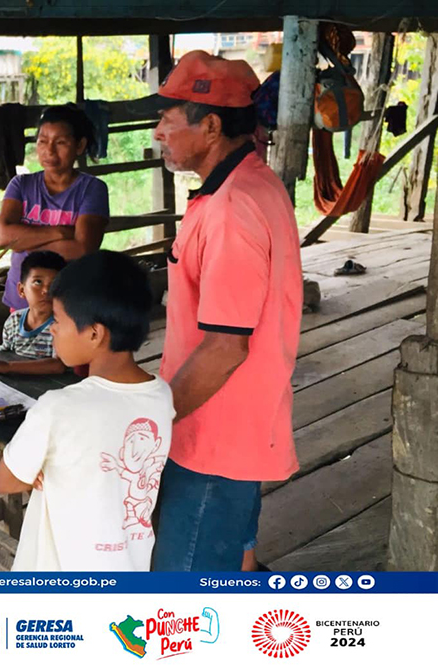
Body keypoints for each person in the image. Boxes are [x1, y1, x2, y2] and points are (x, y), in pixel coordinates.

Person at [141, 51, 303, 571]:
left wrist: (150, 421)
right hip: (237, 422)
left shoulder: (232, 210)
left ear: (210, 126)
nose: (159, 130)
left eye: (167, 118)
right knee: (230, 567)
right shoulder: (251, 183)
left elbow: (226, 346)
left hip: (213, 437)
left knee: (183, 595)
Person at [0, 251, 175, 571]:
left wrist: (38, 466)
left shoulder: (58, 407)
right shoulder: (161, 396)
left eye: (59, 321)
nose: (52, 329)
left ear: (94, 332)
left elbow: (6, 481)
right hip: (129, 565)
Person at [0, 104, 109, 312]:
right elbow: (3, 237)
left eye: (61, 142)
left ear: (80, 145)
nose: (49, 150)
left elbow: (82, 249)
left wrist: (23, 243)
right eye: (42, 141)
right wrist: (60, 233)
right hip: (22, 303)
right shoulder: (21, 185)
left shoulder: (92, 189)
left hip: (70, 303)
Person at [0, 250, 66, 375]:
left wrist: (9, 367)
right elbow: (4, 353)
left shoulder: (62, 325)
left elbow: (58, 365)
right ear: (21, 290)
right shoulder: (14, 321)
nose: (46, 290)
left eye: (54, 284)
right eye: (38, 282)